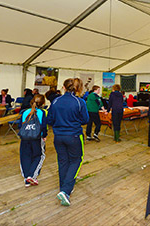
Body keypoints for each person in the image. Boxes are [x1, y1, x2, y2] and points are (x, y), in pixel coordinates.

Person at [47, 78, 89, 207]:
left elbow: (49, 120)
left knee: (63, 161)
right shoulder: (79, 101)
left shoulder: (56, 101)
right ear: (76, 88)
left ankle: (63, 189)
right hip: (74, 136)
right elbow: (85, 120)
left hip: (58, 137)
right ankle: (65, 190)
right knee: (76, 160)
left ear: (63, 87)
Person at [19, 94, 47, 187]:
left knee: (25, 156)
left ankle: (26, 178)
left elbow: (20, 126)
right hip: (37, 138)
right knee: (38, 156)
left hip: (25, 138)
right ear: (43, 103)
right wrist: (45, 135)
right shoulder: (42, 112)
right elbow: (43, 126)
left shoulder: (24, 112)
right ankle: (31, 175)